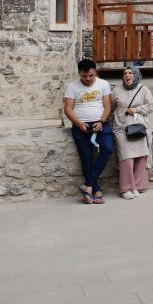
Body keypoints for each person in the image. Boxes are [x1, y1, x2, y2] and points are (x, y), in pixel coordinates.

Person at [64, 58, 113, 205]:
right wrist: (79, 124)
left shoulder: (103, 84)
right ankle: (95, 189)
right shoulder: (72, 87)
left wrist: (102, 121)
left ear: (95, 72)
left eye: (91, 75)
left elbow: (108, 105)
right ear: (79, 73)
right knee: (86, 157)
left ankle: (88, 185)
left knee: (108, 149)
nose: (88, 79)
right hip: (81, 126)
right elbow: (68, 109)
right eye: (84, 76)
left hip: (100, 124)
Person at [111, 65, 153, 199]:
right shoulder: (116, 91)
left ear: (136, 75)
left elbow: (151, 106)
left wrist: (137, 109)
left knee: (141, 156)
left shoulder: (143, 89)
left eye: (130, 73)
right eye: (125, 73)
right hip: (121, 128)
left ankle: (137, 186)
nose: (127, 76)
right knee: (126, 158)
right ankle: (126, 188)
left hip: (138, 127)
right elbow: (110, 107)